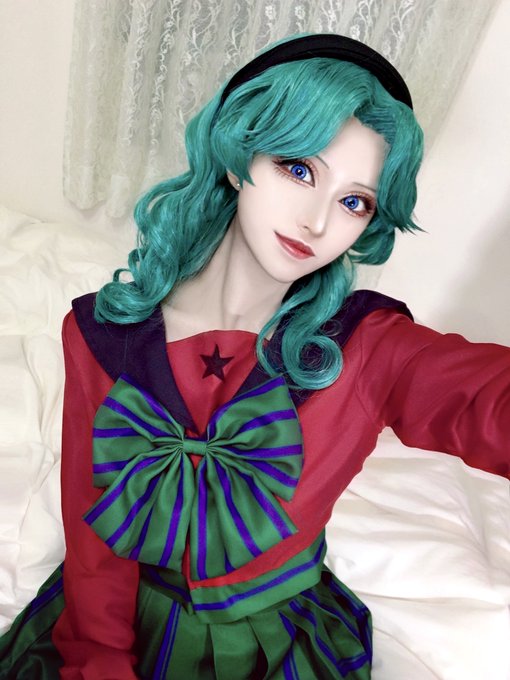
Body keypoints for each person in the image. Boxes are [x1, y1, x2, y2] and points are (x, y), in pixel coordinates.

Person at [0, 33, 508, 680]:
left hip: (271, 643)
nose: (317, 222)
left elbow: (485, 400)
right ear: (240, 158)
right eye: (299, 169)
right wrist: (100, 662)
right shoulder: (101, 334)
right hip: (115, 624)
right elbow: (95, 540)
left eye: (354, 201)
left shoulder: (371, 348)